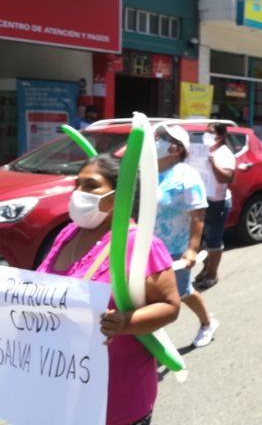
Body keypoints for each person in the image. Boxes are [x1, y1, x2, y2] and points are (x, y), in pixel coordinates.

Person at [37, 154, 180, 425]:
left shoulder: (139, 244)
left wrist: (124, 323)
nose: (79, 193)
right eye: (77, 185)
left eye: (91, 186)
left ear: (118, 196)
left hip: (116, 402)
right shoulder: (67, 233)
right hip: (60, 395)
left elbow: (170, 307)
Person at [154, 124, 219, 347]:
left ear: (176, 149)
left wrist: (192, 249)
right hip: (149, 246)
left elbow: (198, 216)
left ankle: (207, 322)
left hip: (175, 247)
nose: (157, 141)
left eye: (164, 138)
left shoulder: (187, 176)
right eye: (159, 136)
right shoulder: (148, 171)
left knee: (182, 292)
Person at [195, 123, 236, 289]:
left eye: (210, 133)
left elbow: (226, 178)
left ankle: (213, 273)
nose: (206, 135)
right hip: (200, 200)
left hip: (217, 202)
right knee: (199, 239)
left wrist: (213, 164)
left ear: (220, 136)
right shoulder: (201, 150)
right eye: (205, 132)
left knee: (213, 240)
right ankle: (207, 267)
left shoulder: (224, 154)